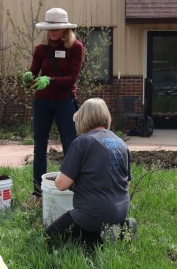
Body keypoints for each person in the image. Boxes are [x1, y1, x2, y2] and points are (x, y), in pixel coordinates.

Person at [43, 98, 135, 251]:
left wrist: (72, 179)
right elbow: (126, 184)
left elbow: (61, 184)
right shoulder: (121, 143)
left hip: (90, 214)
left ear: (83, 119)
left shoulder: (82, 142)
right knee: (88, 244)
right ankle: (120, 229)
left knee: (49, 237)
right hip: (121, 211)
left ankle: (104, 232)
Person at [21, 7, 83, 200]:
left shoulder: (76, 48)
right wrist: (28, 79)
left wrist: (51, 80)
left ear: (65, 29)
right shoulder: (41, 49)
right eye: (49, 28)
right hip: (41, 102)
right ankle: (38, 192)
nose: (52, 31)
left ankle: (73, 189)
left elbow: (72, 78)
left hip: (64, 101)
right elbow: (34, 74)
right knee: (39, 147)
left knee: (70, 146)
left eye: (56, 28)